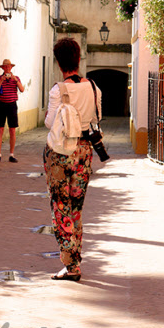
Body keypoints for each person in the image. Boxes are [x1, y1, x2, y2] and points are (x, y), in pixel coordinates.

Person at [44, 38, 102, 282]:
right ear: (78, 59)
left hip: (59, 154)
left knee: (61, 207)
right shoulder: (94, 88)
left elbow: (49, 122)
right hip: (84, 151)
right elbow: (97, 116)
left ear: (59, 63)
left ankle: (71, 266)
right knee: (76, 208)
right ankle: (75, 261)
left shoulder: (58, 90)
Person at [0, 58, 24, 163]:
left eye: (9, 67)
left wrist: (15, 80)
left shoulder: (16, 78)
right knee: (0, 129)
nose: (7, 68)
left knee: (12, 130)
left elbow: (22, 89)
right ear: (3, 68)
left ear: (11, 68)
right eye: (5, 67)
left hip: (12, 105)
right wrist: (1, 81)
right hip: (1, 105)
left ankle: (11, 154)